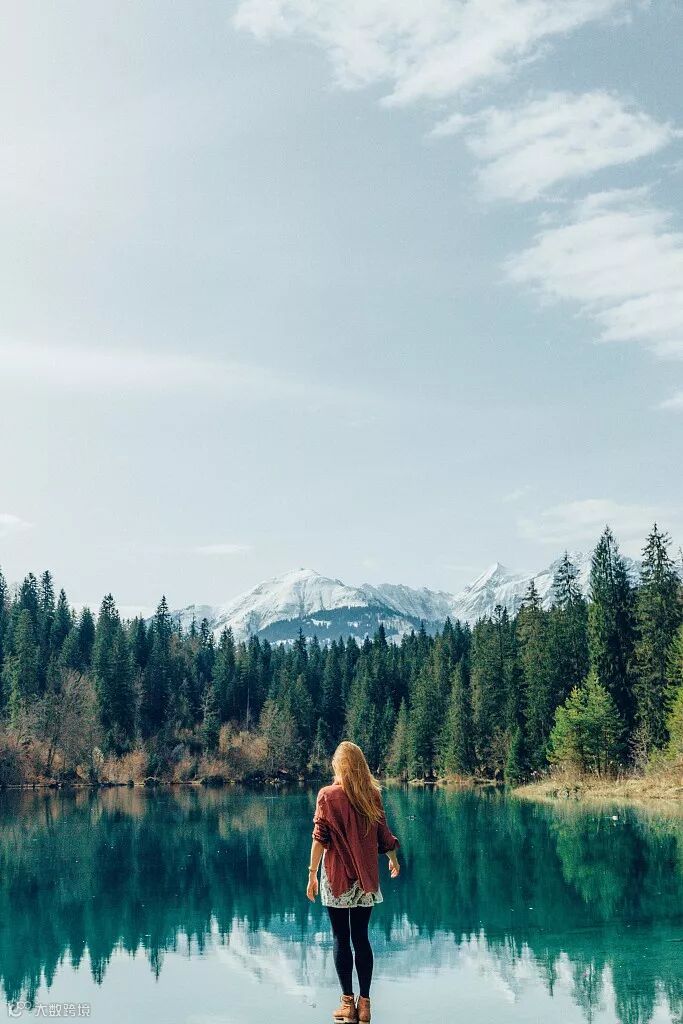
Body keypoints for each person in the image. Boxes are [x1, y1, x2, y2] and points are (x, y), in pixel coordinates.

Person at [307, 740, 400, 1024]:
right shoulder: (371, 795)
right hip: (366, 878)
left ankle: (347, 1004)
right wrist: (393, 859)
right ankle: (366, 1004)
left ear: (339, 765)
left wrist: (312, 873)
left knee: (340, 937)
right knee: (361, 937)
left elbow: (319, 839)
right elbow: (384, 835)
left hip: (336, 877)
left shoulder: (327, 796)